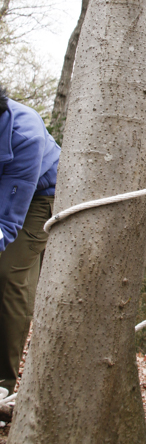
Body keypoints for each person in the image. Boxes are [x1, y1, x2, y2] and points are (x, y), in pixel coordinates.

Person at [0, 86, 60, 395]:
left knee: (9, 273)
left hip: (41, 196)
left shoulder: (26, 136)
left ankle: (3, 385)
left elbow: (7, 221)